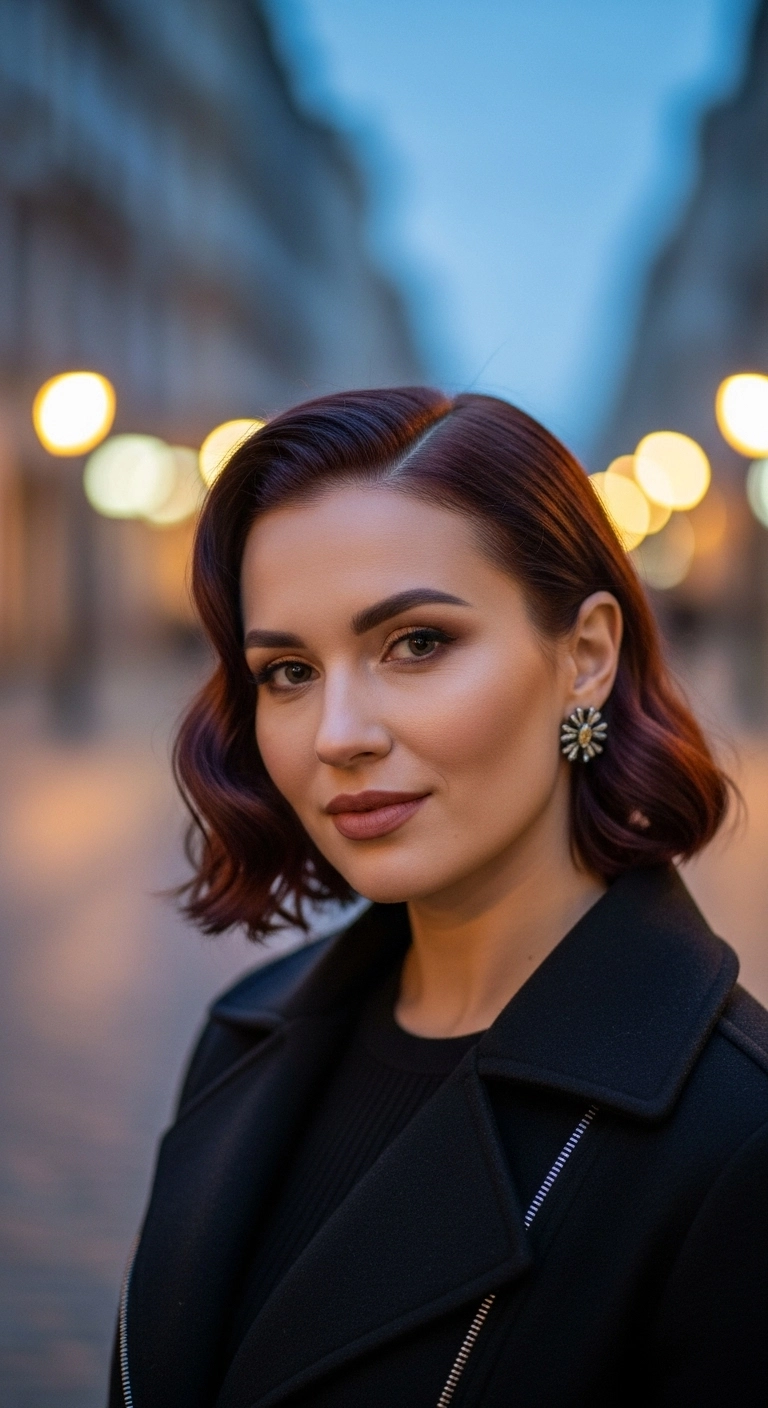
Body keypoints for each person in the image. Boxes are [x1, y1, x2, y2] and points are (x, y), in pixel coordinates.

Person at [110, 388, 768, 1408]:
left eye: (416, 643)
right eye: (288, 670)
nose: (337, 734)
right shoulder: (246, 1035)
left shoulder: (734, 1135)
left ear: (586, 658)